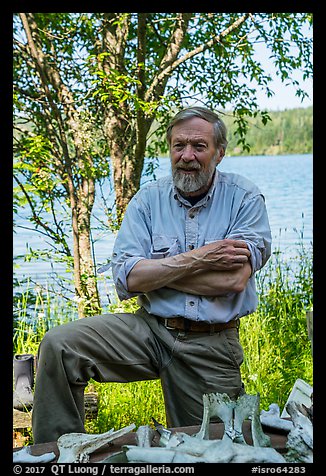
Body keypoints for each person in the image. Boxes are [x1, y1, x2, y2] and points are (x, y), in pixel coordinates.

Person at [32, 106, 272, 444]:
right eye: (179, 146)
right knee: (60, 345)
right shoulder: (147, 200)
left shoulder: (244, 199)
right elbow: (127, 279)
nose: (187, 156)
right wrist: (200, 258)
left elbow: (232, 281)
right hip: (149, 328)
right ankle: (55, 453)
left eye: (199, 147)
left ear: (219, 153)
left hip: (211, 344)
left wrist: (154, 271)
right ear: (169, 149)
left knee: (214, 448)